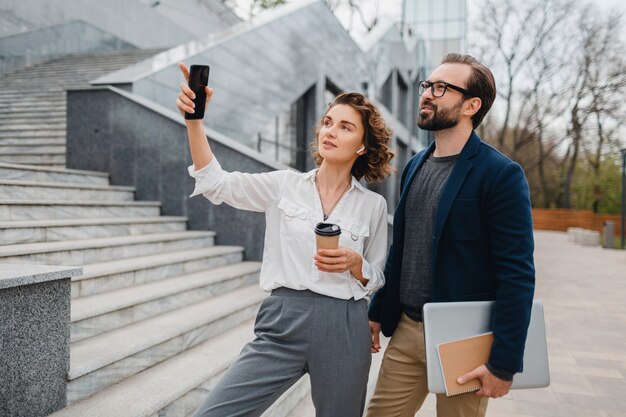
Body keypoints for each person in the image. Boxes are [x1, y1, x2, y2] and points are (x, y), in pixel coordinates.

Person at [175, 62, 395, 417]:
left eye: (345, 127)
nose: (331, 131)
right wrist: (194, 121)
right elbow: (216, 183)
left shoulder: (373, 205)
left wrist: (357, 264)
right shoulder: (284, 185)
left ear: (362, 146)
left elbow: (379, 275)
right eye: (327, 122)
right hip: (283, 319)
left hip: (344, 325)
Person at [365, 53, 535, 417]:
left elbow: (517, 274)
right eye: (427, 85)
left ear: (472, 105)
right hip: (407, 330)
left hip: (464, 340)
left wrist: (503, 363)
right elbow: (403, 247)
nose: (427, 93)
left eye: (441, 88)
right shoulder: (415, 165)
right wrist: (377, 310)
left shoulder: (501, 174)